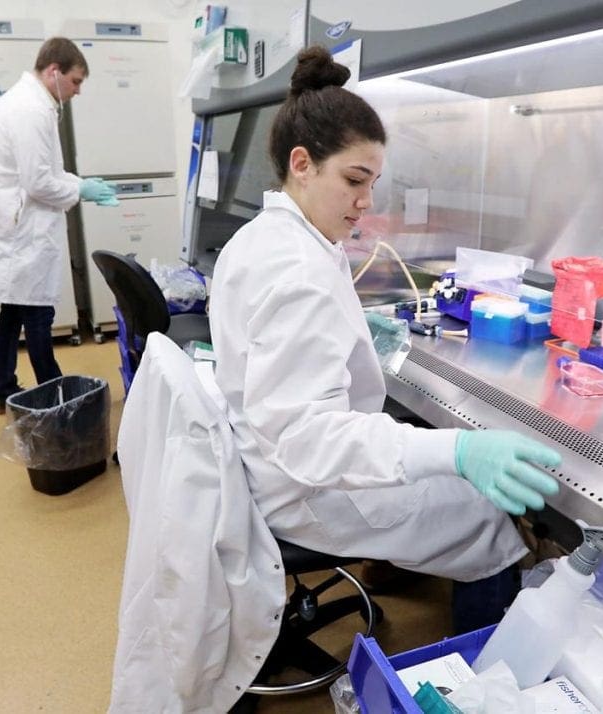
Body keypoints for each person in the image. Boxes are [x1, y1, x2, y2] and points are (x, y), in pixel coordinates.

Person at [209, 47, 563, 609]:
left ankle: (392, 564)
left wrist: (349, 334)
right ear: (302, 164)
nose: (367, 202)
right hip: (303, 488)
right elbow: (310, 440)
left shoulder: (262, 238)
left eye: (373, 182)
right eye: (355, 179)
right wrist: (459, 450)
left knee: (423, 467)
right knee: (484, 516)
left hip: (261, 462)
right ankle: (479, 670)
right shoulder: (297, 268)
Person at [0, 37, 119, 415]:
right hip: (20, 231)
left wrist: (77, 182)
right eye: (76, 81)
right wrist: (80, 188)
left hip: (14, 224)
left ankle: (3, 391)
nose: (77, 91)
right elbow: (38, 182)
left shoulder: (30, 101)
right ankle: (55, 398)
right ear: (54, 72)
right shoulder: (31, 109)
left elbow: (43, 171)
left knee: (13, 311)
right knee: (36, 313)